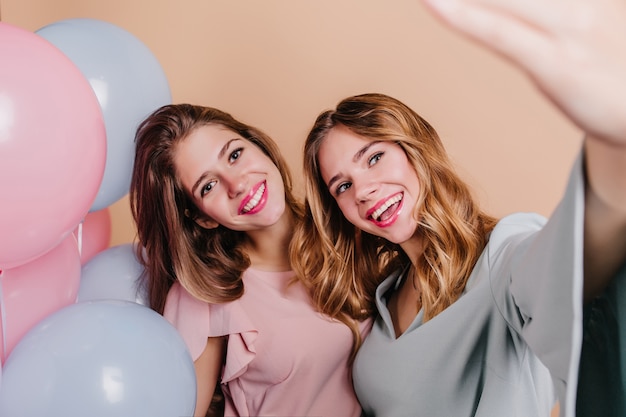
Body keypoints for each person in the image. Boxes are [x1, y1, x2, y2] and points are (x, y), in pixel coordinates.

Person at [292, 0, 626, 416]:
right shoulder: (384, 296)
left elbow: (575, 269)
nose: (362, 190)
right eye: (342, 185)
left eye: (374, 157)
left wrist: (615, 142)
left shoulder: (500, 257)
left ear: (417, 151)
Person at [129, 104, 364, 417]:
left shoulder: (351, 222)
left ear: (260, 146)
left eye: (234, 154)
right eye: (208, 186)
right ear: (202, 218)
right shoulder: (207, 296)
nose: (237, 184)